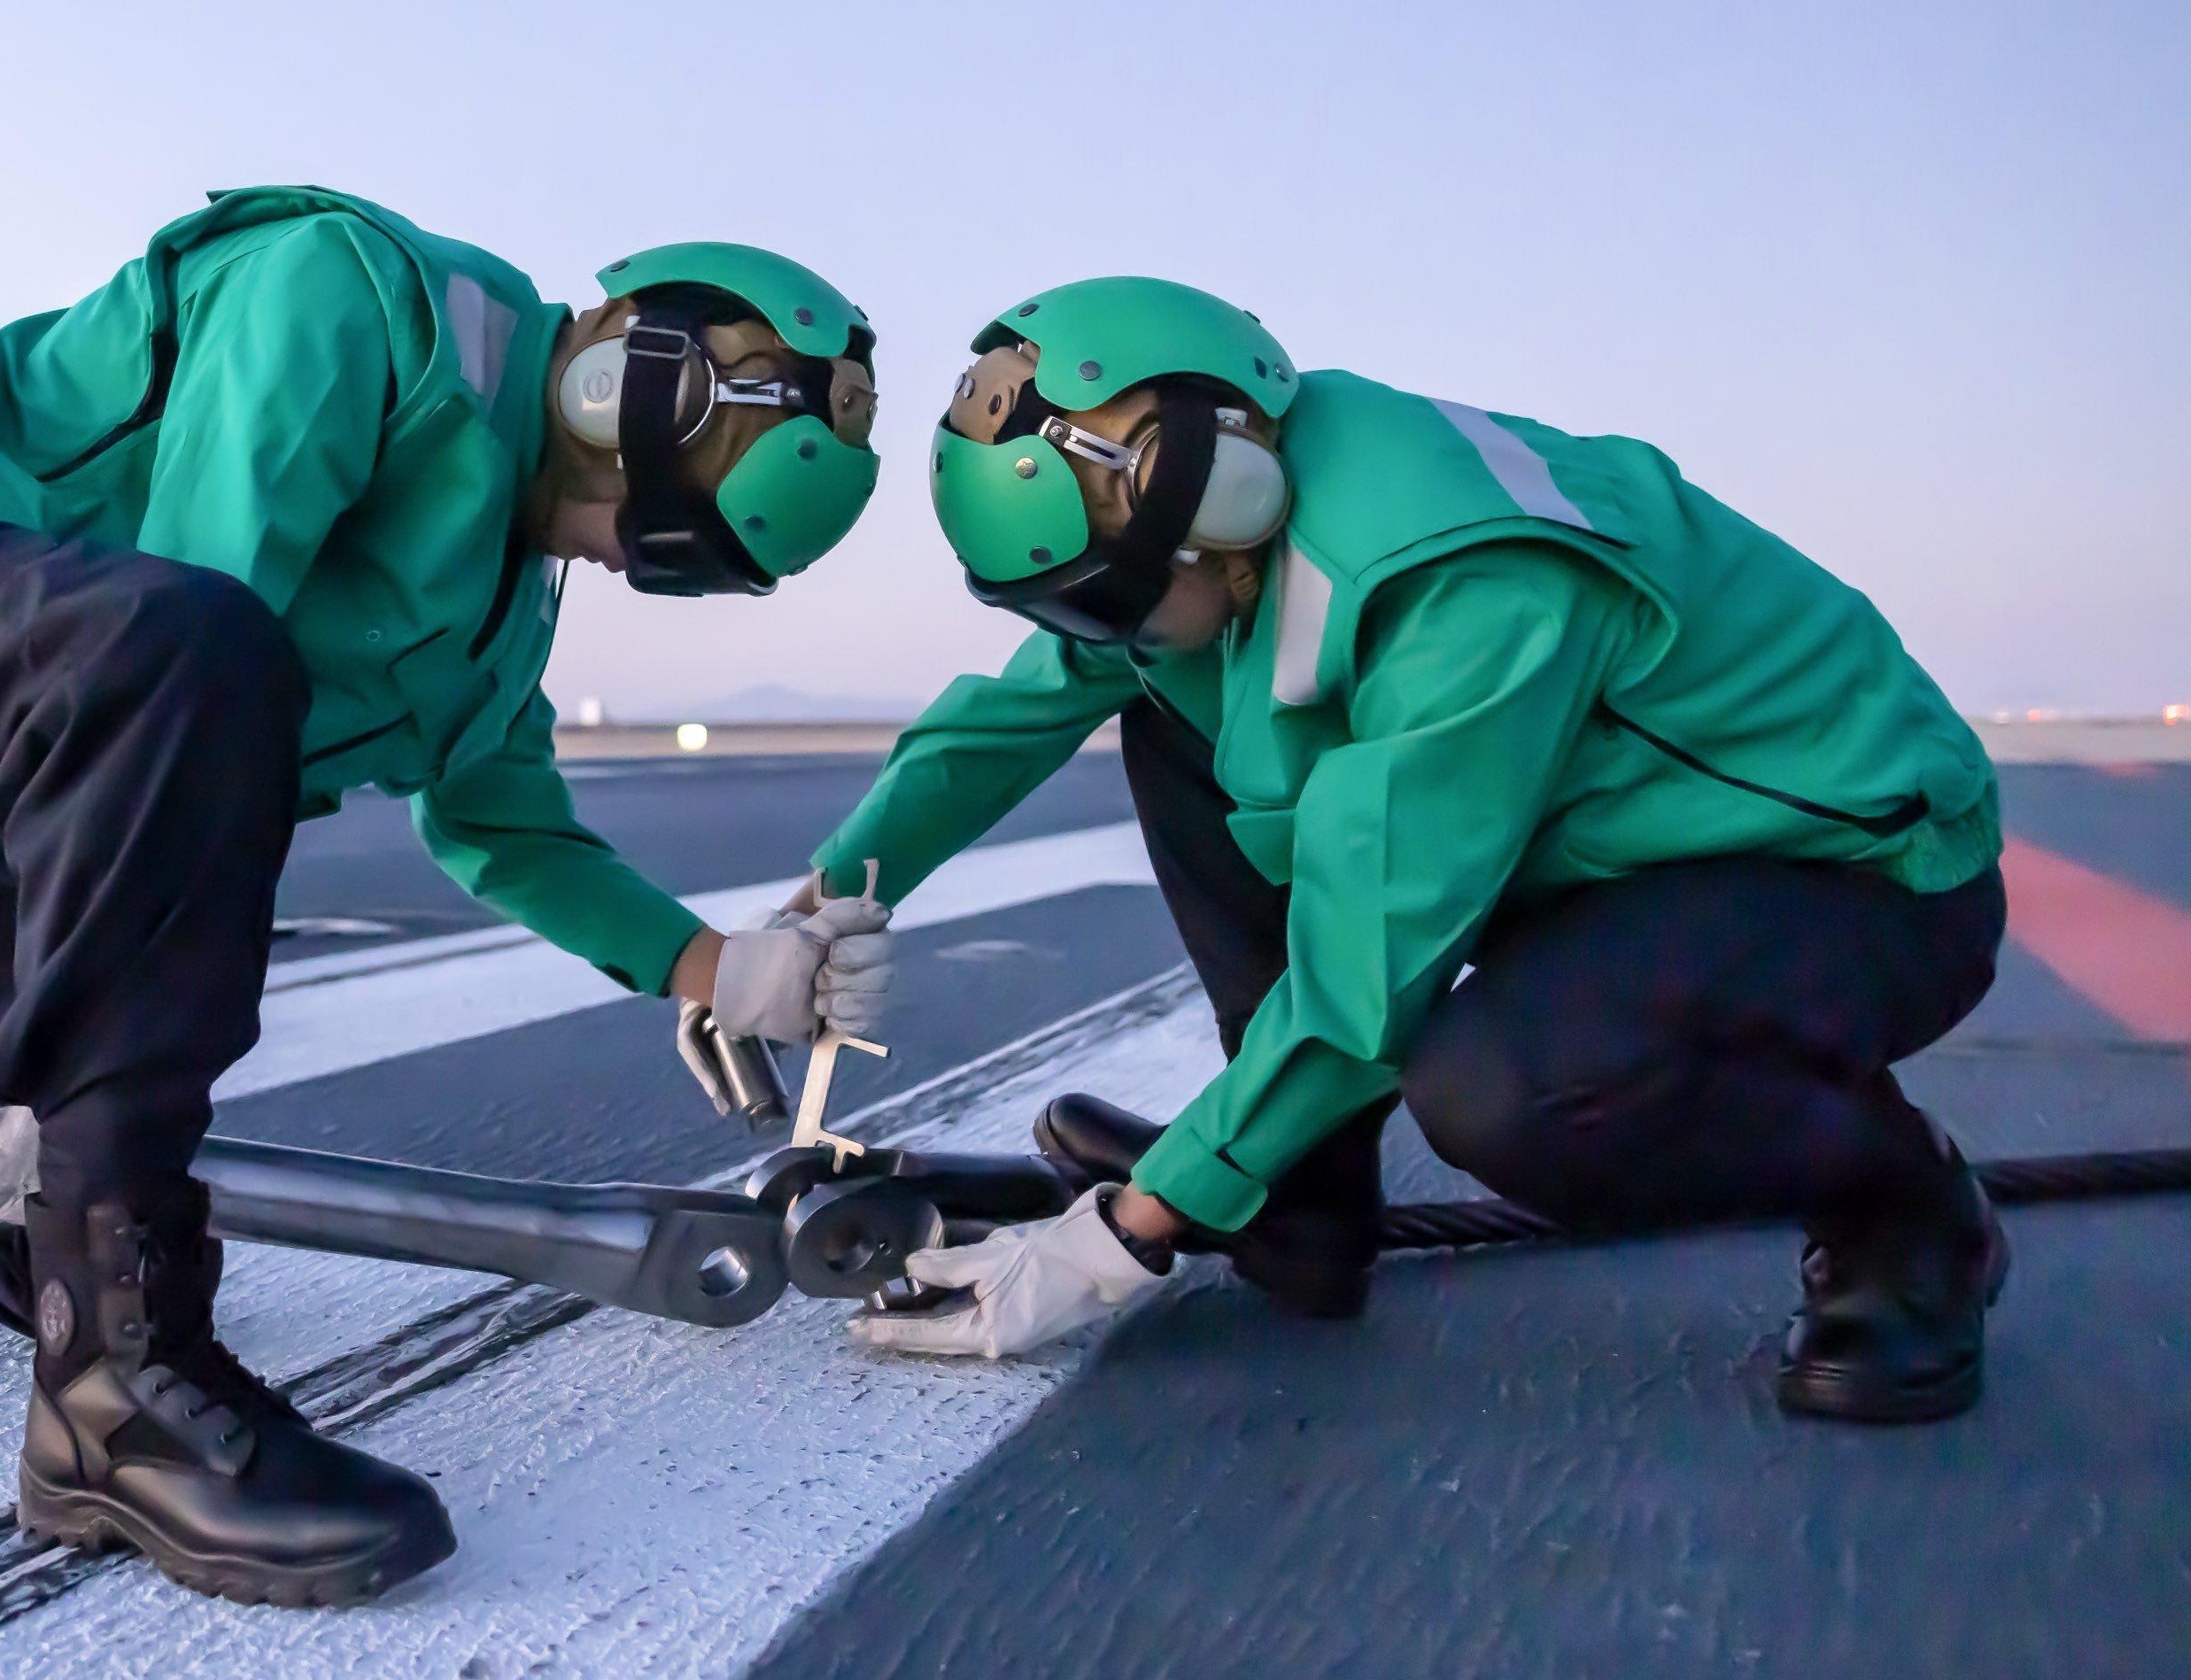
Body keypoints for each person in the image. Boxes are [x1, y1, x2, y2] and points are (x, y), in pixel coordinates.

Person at [0, 186, 893, 1606]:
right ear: (623, 387)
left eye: (653, 562)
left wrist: (721, 966)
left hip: (40, 731)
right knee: (113, 1164)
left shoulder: (497, 610)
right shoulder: (354, 296)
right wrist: (96, 1092)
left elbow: (506, 827)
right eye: (630, 521)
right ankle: (112, 1406)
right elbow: (181, 615)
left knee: (38, 1223)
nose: (605, 551)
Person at [825, 278, 2007, 1425]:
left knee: (1509, 1087)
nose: (1086, 635)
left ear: (1225, 504)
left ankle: (1902, 1205)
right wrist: (821, 910)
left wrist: (1118, 1238)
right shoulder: (1203, 498)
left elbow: (1361, 986)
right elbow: (1005, 722)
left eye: (1096, 602)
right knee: (1173, 705)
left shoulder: (1467, 581)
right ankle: (1300, 1195)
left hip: (1849, 873)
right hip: (1600, 845)